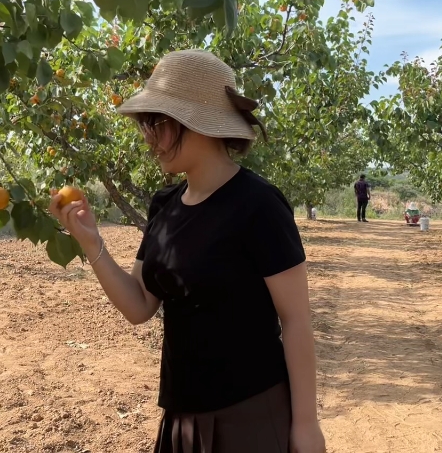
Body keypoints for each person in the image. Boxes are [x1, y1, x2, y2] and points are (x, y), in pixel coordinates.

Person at [49, 50, 326, 453]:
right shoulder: (165, 204)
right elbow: (140, 306)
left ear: (198, 122)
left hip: (249, 414)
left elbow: (296, 320)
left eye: (157, 123)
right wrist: (91, 242)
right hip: (181, 417)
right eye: (146, 125)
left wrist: (306, 425)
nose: (149, 138)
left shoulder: (258, 205)